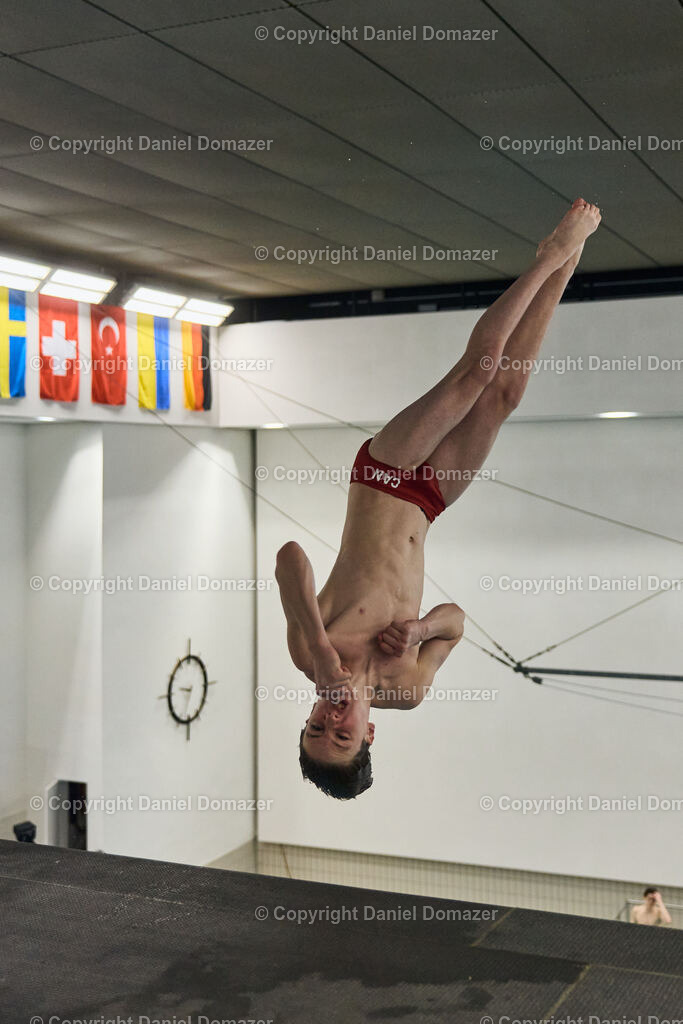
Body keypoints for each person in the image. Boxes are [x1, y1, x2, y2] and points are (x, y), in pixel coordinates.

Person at [275, 199, 602, 798]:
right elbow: (456, 625)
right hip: (430, 502)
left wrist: (321, 647)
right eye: (342, 735)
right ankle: (566, 266)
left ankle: (551, 254)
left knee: (476, 373)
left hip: (383, 475)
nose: (331, 719)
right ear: (370, 733)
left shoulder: (309, 655)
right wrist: (422, 629)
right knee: (505, 393)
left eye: (315, 727)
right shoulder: (406, 689)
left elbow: (289, 557)